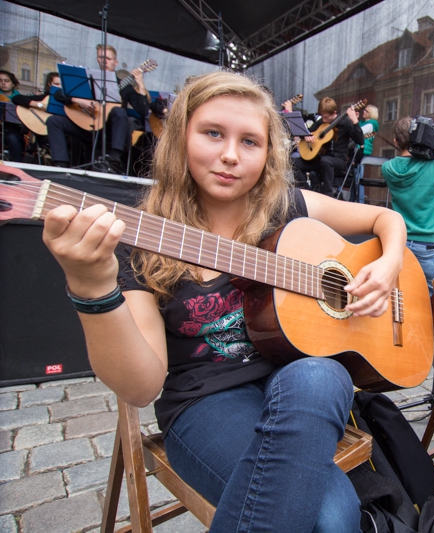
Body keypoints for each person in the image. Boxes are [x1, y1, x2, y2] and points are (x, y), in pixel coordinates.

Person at [41, 71, 408, 532]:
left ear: (268, 152)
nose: (230, 155)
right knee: (333, 518)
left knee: (324, 373)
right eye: (213, 133)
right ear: (180, 138)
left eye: (250, 141)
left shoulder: (285, 208)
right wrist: (92, 288)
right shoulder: (142, 236)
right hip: (204, 401)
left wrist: (390, 263)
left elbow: (384, 218)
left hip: (297, 384)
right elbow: (140, 388)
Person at [45, 44, 150, 172]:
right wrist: (78, 100)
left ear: (115, 62)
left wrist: (141, 85)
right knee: (53, 121)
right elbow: (58, 94)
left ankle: (114, 158)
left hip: (109, 132)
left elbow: (143, 111)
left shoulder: (125, 87)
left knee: (119, 111)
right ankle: (60, 166)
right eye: (101, 57)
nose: (104, 61)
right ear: (97, 60)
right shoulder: (87, 80)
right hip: (85, 127)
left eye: (108, 58)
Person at [381, 116, 434, 294]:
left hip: (398, 242)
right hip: (427, 247)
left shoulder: (388, 168)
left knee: (400, 296)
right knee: (432, 301)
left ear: (396, 141)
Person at [291, 97, 364, 196]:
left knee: (326, 161)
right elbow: (307, 131)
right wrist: (307, 135)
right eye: (322, 117)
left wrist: (355, 122)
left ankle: (327, 196)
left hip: (339, 160)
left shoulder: (346, 123)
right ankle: (306, 192)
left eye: (326, 117)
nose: (323, 120)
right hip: (320, 158)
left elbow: (360, 140)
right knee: (294, 162)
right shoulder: (322, 122)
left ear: (334, 113)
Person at [352, 104, 379, 202]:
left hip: (362, 150)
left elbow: (358, 132)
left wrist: (354, 120)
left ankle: (360, 201)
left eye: (366, 111)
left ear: (371, 114)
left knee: (358, 177)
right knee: (355, 177)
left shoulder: (372, 123)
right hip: (357, 150)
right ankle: (354, 200)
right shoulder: (363, 122)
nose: (364, 112)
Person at [0, 69, 25, 162]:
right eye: (0, 81)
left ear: (13, 84)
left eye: (6, 81)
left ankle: (17, 164)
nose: (3, 83)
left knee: (13, 138)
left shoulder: (20, 99)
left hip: (13, 129)